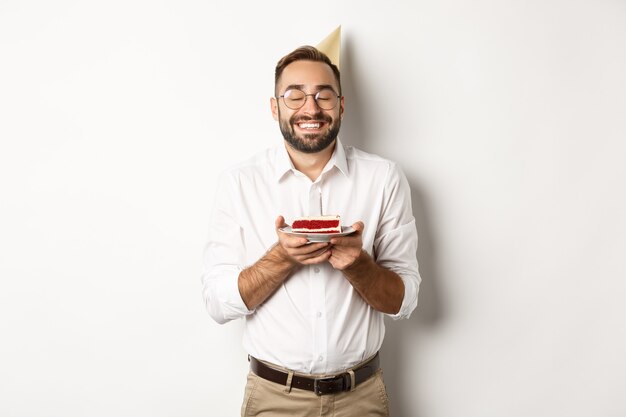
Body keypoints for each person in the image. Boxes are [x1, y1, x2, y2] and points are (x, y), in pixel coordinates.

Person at [201, 45, 421, 417]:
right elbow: (217, 303)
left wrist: (358, 265)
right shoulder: (239, 183)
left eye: (324, 95)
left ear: (341, 105)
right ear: (275, 108)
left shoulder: (383, 178)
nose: (311, 108)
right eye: (295, 95)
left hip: (361, 398)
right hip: (274, 399)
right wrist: (281, 259)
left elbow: (404, 301)